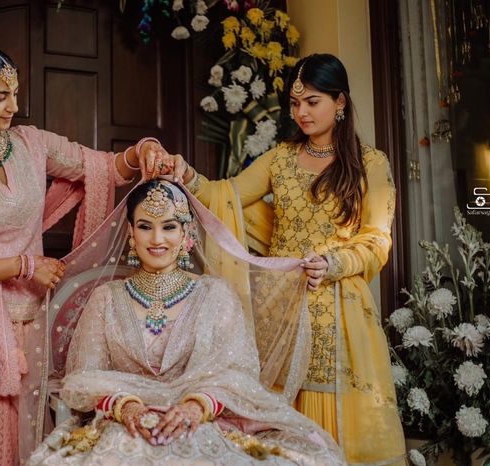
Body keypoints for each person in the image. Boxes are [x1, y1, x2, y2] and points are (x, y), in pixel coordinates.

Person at [0, 45, 179, 466]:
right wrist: (23, 266)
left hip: (28, 326)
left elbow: (103, 167)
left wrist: (141, 150)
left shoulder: (30, 145)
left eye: (15, 94)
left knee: (26, 445)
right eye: (1, 96)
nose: (14, 106)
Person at [162, 54, 406, 465]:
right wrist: (186, 175)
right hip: (281, 308)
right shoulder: (281, 158)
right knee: (278, 424)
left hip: (340, 313)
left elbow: (377, 240)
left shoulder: (371, 163)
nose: (302, 112)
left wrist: (333, 265)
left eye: (312, 101)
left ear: (340, 101)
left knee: (341, 428)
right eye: (296, 104)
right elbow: (228, 196)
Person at [26, 180, 346, 466]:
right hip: (125, 425)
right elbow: (83, 379)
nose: (157, 239)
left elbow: (237, 374)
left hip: (203, 423)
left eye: (169, 226)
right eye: (145, 226)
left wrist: (196, 406)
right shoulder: (106, 298)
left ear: (186, 232)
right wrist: (125, 407)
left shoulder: (216, 295)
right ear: (130, 232)